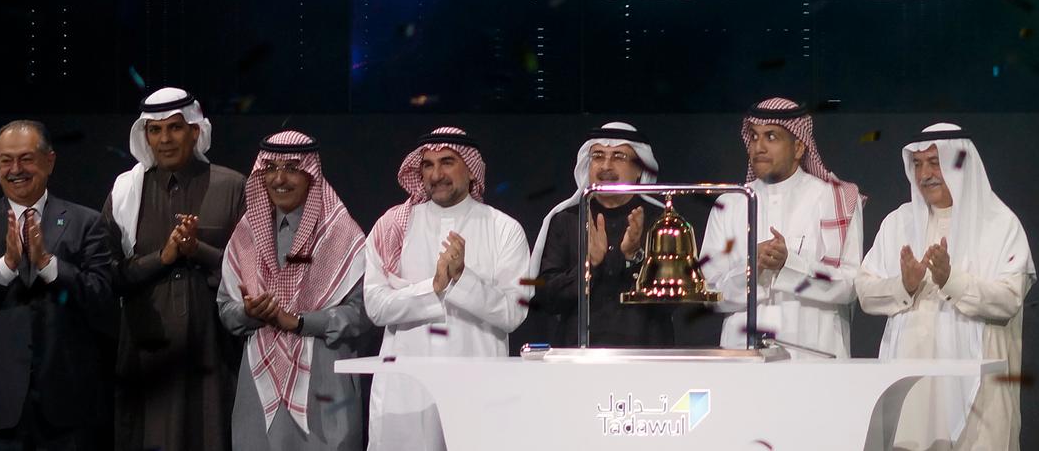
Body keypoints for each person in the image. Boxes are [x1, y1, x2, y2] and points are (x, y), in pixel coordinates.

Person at [855, 124, 1033, 450]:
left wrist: (950, 280)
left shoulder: (999, 224)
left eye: (935, 162)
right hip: (911, 387)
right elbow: (865, 291)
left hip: (980, 395)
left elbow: (1009, 299)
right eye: (917, 164)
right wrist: (905, 285)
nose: (925, 174)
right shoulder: (898, 222)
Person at [363, 127, 530, 451]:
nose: (436, 174)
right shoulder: (392, 226)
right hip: (407, 393)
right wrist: (434, 287)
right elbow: (376, 306)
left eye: (447, 162)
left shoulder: (504, 229)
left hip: (478, 389)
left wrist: (462, 279)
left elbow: (514, 313)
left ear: (472, 170)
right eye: (428, 164)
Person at [104, 87, 245, 451]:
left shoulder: (232, 187)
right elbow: (108, 277)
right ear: (145, 136)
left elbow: (251, 274)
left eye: (175, 128)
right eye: (155, 130)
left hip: (213, 351)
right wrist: (162, 258)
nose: (164, 139)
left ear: (195, 131)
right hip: (146, 354)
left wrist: (198, 250)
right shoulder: (126, 193)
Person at [218, 131, 370, 450]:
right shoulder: (247, 234)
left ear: (310, 174)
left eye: (291, 168)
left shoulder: (341, 234)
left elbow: (362, 313)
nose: (279, 179)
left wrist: (300, 322)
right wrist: (249, 313)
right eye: (270, 168)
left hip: (325, 383)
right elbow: (225, 308)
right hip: (258, 388)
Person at [0, 120, 115, 450]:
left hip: (68, 405)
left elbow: (104, 302)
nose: (16, 170)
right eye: (6, 160)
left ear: (50, 161)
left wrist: (48, 264)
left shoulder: (87, 223)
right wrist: (5, 267)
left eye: (26, 158)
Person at [701, 97, 863, 358]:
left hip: (815, 358)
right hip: (743, 360)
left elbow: (852, 286)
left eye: (771, 137)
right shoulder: (729, 204)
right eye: (754, 137)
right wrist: (752, 267)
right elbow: (708, 294)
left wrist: (789, 264)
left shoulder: (837, 199)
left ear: (798, 147)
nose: (758, 147)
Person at [531, 122, 672, 346]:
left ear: (640, 169)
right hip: (577, 355)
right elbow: (547, 299)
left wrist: (635, 257)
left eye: (618, 156)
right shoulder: (566, 220)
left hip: (646, 355)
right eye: (597, 156)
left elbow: (674, 302)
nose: (606, 165)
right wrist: (588, 266)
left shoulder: (663, 221)